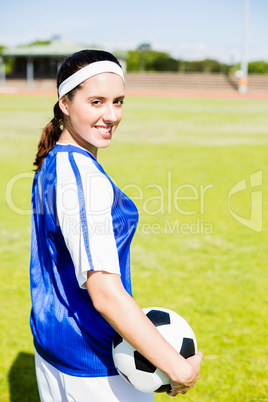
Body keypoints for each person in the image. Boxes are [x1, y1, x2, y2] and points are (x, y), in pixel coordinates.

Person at [29, 49, 203, 402]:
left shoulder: (55, 160)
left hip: (55, 345)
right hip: (93, 362)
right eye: (96, 102)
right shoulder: (80, 178)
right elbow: (105, 293)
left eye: (118, 101)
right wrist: (178, 366)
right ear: (65, 102)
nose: (111, 115)